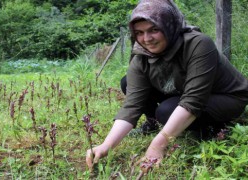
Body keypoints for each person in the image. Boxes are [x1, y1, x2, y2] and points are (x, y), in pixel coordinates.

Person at [86, 0, 248, 171]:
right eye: (139, 33)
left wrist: (158, 145)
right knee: (128, 82)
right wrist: (106, 145)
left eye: (154, 30)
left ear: (168, 26)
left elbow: (193, 100)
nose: (147, 39)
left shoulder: (198, 44)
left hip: (227, 97)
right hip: (184, 90)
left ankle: (215, 127)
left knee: (166, 111)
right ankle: (153, 123)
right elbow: (131, 106)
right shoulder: (141, 56)